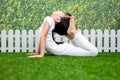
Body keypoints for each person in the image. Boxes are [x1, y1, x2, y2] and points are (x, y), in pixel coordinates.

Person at [28, 11, 98, 58]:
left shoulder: (49, 19)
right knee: (90, 51)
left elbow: (43, 36)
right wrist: (38, 52)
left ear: (58, 19)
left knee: (93, 52)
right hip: (61, 48)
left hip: (61, 49)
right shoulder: (49, 20)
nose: (59, 10)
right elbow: (42, 37)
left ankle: (73, 32)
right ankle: (72, 34)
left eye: (60, 12)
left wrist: (41, 54)